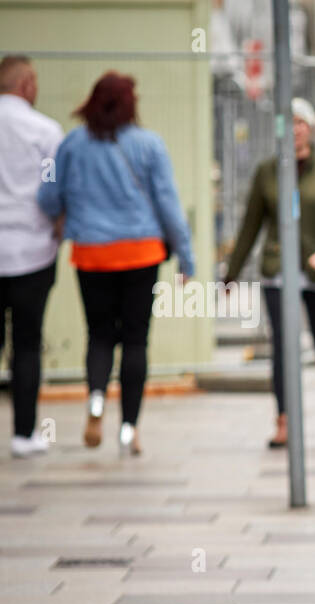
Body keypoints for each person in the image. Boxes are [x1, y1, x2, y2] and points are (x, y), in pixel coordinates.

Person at [36, 71, 194, 457]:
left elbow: (47, 195)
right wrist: (186, 256)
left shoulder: (71, 144)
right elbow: (168, 206)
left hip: (92, 254)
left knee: (100, 334)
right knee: (136, 339)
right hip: (141, 254)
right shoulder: (149, 144)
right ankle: (128, 430)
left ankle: (94, 400)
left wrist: (65, 215)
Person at [224, 97, 315, 447]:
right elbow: (251, 225)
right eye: (288, 124)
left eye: (300, 123)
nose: (294, 130)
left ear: (309, 129)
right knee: (282, 345)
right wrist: (231, 273)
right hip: (279, 269)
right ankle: (283, 419)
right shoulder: (268, 171)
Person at [0, 56, 62, 458]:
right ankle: (24, 433)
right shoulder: (45, 132)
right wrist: (57, 221)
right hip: (33, 251)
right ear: (25, 84)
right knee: (26, 343)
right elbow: (51, 186)